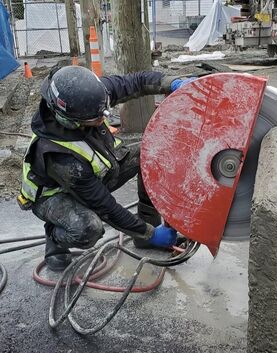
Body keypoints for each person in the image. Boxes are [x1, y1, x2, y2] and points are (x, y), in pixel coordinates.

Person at [18, 65, 195, 271]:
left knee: (152, 153)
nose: (104, 118)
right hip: (53, 196)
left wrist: (172, 83)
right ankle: (55, 238)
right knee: (88, 228)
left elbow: (137, 80)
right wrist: (150, 233)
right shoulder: (60, 157)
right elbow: (106, 207)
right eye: (96, 119)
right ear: (70, 120)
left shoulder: (89, 98)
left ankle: (147, 224)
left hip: (94, 172)